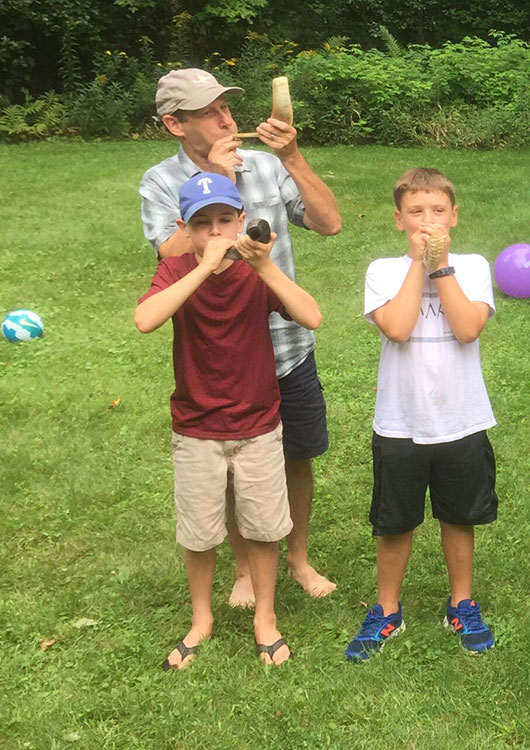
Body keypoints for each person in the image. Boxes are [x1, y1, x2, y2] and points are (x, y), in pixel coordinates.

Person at [140, 68, 343, 607]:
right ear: (174, 124)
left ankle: (296, 558)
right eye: (209, 112)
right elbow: (169, 252)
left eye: (226, 107)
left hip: (286, 345)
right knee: (227, 465)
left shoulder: (269, 164)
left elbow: (329, 223)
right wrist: (214, 186)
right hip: (221, 358)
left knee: (296, 454)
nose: (227, 119)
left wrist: (295, 157)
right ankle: (245, 571)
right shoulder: (161, 181)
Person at [135, 173, 322, 669]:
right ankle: (202, 620)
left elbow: (312, 315)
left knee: (263, 529)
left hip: (259, 424)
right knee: (199, 534)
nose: (215, 233)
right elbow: (145, 319)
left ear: (242, 221)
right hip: (196, 428)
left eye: (224, 221)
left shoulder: (256, 273)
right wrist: (202, 269)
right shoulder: (176, 269)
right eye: (203, 225)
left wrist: (265, 267)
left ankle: (266, 617)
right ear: (185, 228)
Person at [344, 168, 499, 662]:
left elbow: (469, 327)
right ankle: (387, 609)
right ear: (398, 220)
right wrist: (417, 265)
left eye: (437, 211)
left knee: (459, 514)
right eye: (416, 213)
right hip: (400, 422)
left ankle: (462, 601)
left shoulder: (472, 266)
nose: (427, 221)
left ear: (454, 216)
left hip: (461, 419)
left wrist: (441, 267)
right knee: (396, 520)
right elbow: (398, 328)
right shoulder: (382, 271)